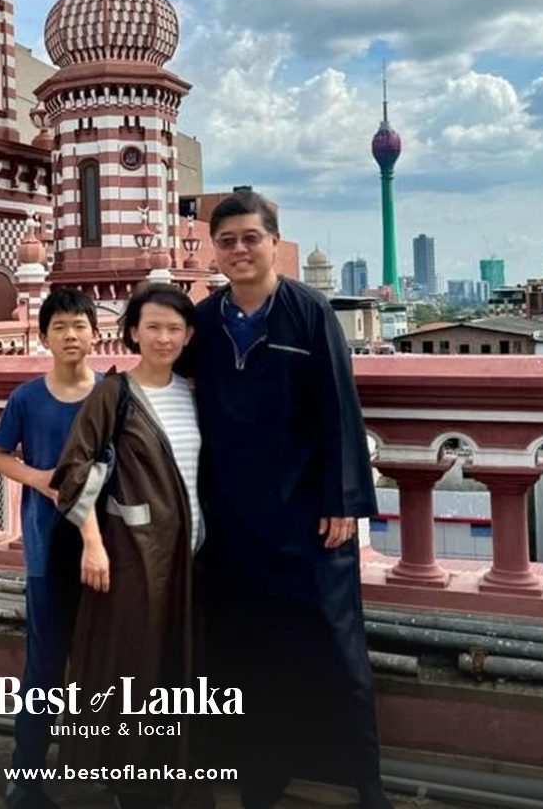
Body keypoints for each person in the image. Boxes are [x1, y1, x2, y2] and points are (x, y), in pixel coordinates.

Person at [192, 190, 392, 809]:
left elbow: (338, 406)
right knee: (244, 649)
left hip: (306, 515)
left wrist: (340, 500)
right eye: (226, 241)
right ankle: (259, 771)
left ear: (273, 242)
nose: (239, 250)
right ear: (215, 251)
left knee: (334, 647)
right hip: (230, 515)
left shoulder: (308, 312)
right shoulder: (204, 320)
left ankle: (365, 781)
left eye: (251, 237)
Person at [51, 283, 209, 809]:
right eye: (152, 327)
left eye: (174, 328)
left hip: (192, 555)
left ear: (188, 335)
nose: (163, 338)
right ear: (133, 332)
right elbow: (74, 471)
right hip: (132, 553)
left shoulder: (197, 393)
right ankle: (126, 781)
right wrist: (92, 544)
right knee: (130, 664)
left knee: (178, 664)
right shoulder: (114, 394)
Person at [0, 287, 102, 809]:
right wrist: (39, 478)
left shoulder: (112, 396)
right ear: (44, 337)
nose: (71, 335)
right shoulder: (27, 398)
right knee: (45, 665)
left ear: (94, 334)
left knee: (104, 661)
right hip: (46, 547)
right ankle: (27, 774)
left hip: (103, 550)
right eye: (60, 327)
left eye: (79, 325)